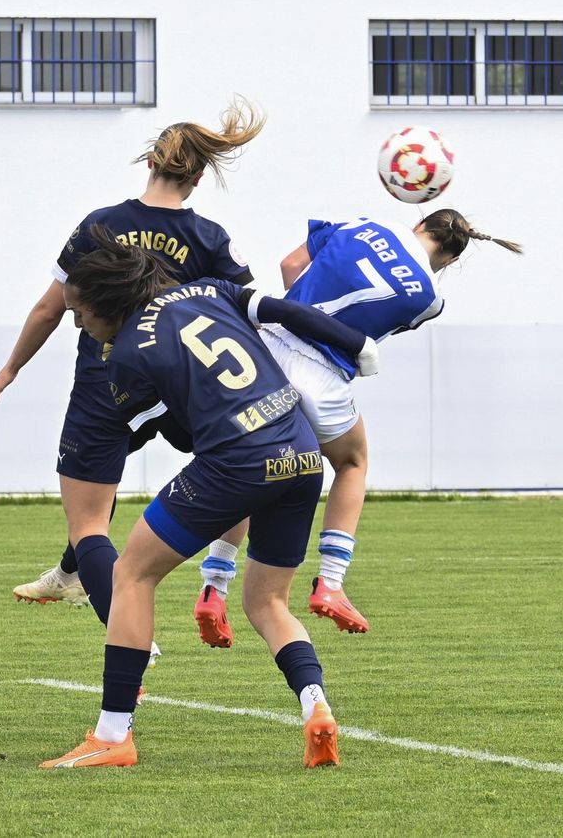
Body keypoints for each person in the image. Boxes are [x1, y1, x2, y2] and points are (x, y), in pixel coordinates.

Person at [40, 229, 380, 769]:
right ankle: (316, 706)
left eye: (79, 312)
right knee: (267, 602)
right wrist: (356, 344)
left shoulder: (127, 353)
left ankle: (112, 736)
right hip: (301, 452)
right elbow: (282, 312)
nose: (78, 323)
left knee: (131, 575)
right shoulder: (211, 288)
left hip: (237, 461)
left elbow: (155, 426)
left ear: (106, 304)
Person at [0, 100, 262, 632]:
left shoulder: (101, 226)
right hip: (182, 384)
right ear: (198, 178)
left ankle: (130, 643)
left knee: (88, 517)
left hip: (106, 383)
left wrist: (8, 371)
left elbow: (50, 306)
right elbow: (243, 315)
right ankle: (194, 578)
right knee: (239, 466)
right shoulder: (210, 237)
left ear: (150, 162)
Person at [193, 210, 522, 646]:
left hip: (265, 348)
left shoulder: (363, 224)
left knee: (255, 461)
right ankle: (330, 581)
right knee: (353, 462)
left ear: (420, 222)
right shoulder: (432, 300)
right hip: (322, 374)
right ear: (452, 258)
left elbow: (290, 266)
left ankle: (214, 587)